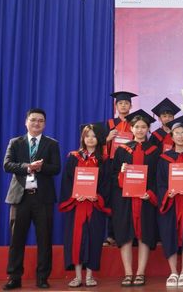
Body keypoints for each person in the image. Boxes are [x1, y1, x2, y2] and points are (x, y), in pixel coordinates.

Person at [3, 108, 61, 290]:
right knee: (16, 240)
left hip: (43, 199)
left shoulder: (52, 144)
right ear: (26, 122)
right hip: (20, 198)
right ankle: (14, 277)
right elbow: (7, 165)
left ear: (45, 124)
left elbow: (56, 168)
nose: (37, 123)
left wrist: (40, 168)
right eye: (33, 120)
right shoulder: (15, 142)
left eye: (41, 121)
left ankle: (42, 278)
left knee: (44, 239)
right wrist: (28, 167)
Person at [111, 109, 160, 287]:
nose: (140, 130)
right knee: (125, 236)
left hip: (145, 199)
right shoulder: (121, 150)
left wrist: (151, 194)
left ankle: (140, 273)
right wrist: (121, 172)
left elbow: (158, 177)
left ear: (148, 129)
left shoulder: (155, 151)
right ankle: (128, 273)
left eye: (143, 127)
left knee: (144, 235)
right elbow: (113, 176)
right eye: (137, 127)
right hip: (125, 200)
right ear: (131, 129)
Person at [58, 123, 111, 287]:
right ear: (83, 138)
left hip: (95, 207)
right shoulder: (73, 158)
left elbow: (107, 183)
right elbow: (66, 182)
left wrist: (98, 196)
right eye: (87, 136)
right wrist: (74, 196)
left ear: (99, 139)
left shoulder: (104, 160)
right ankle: (77, 276)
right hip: (77, 206)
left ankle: (89, 276)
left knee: (94, 239)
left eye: (94, 136)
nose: (90, 139)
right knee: (76, 239)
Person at [156, 116, 183, 287]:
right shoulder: (164, 158)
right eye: (177, 133)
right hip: (171, 203)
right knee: (169, 235)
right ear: (172, 136)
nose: (180, 136)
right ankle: (173, 272)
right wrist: (168, 193)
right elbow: (160, 183)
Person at [104, 91, 137, 247]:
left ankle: (132, 234)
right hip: (113, 165)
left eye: (126, 103)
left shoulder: (136, 123)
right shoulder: (110, 124)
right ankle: (112, 234)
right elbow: (98, 145)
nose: (123, 105)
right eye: (120, 103)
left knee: (130, 201)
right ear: (116, 106)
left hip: (131, 165)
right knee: (113, 200)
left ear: (131, 105)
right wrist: (107, 138)